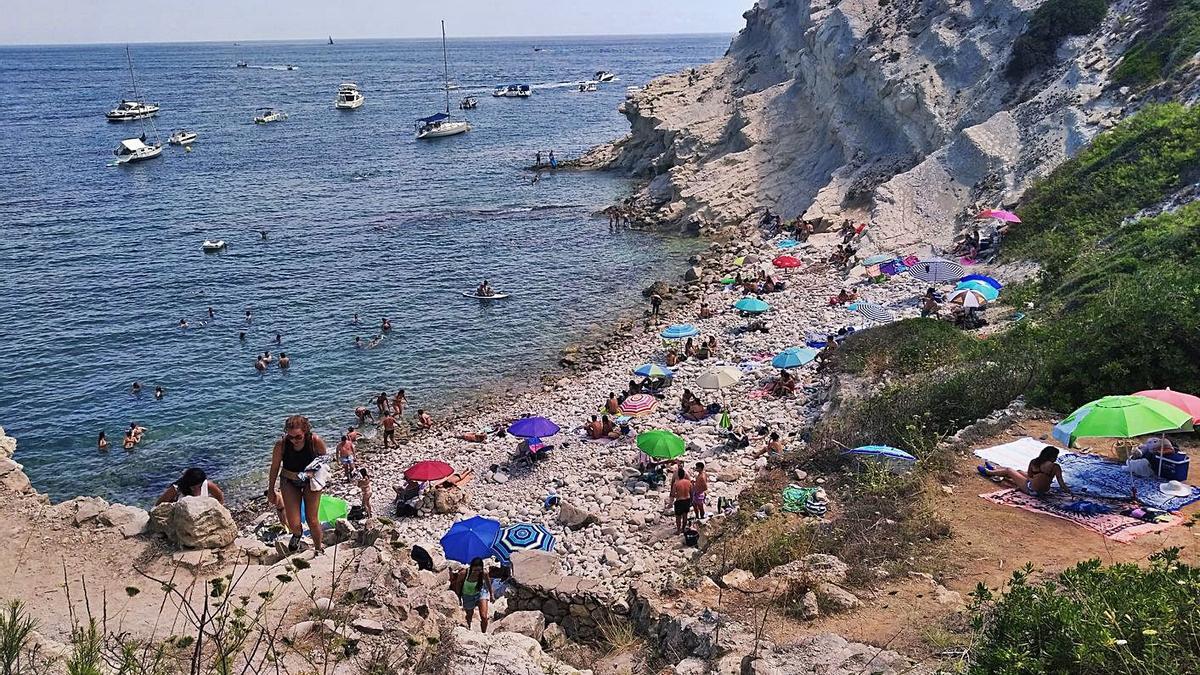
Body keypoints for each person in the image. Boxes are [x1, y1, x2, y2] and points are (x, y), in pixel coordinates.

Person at [267, 415, 328, 554]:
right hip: (289, 481)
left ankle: (319, 548)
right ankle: (297, 533)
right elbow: (275, 467)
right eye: (290, 437)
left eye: (298, 437)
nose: (294, 440)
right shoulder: (281, 445)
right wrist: (271, 490)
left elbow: (325, 459)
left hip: (311, 482)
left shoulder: (314, 441)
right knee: (294, 523)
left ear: (305, 431)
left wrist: (313, 472)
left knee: (312, 520)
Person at [978, 446, 1073, 498]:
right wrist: (1070, 492)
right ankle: (995, 470)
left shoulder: (1035, 462)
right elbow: (1061, 484)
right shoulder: (1056, 467)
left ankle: (988, 472)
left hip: (1031, 489)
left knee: (1009, 470)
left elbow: (1030, 478)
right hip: (1043, 491)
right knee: (1018, 471)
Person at [452, 558, 493, 632]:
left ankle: (484, 633)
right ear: (471, 568)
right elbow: (458, 584)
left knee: (484, 616)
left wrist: (491, 594)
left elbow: (488, 583)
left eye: (479, 570)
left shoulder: (484, 573)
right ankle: (468, 629)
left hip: (480, 593)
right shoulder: (463, 574)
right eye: (475, 570)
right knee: (469, 615)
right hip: (467, 595)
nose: (477, 573)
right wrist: (458, 596)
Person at [156, 468, 225, 505]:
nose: (195, 489)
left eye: (199, 486)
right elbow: (158, 505)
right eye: (193, 487)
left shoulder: (207, 484)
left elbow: (220, 498)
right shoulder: (176, 489)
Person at [670, 465, 693, 535]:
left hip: (679, 501)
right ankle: (683, 529)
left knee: (678, 517)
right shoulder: (689, 482)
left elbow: (673, 494)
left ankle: (678, 530)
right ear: (684, 475)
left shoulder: (676, 483)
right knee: (685, 515)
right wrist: (691, 501)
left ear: (678, 475)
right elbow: (691, 492)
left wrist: (676, 496)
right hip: (687, 500)